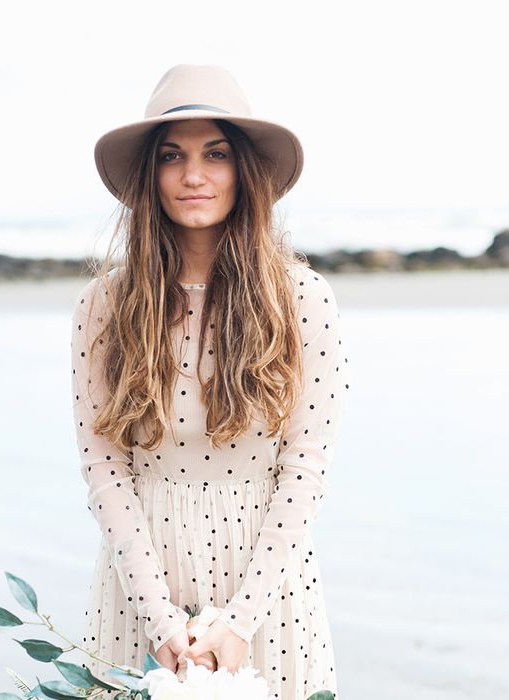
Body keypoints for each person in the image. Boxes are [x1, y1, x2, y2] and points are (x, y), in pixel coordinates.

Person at [70, 64, 350, 700]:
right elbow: (105, 469)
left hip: (268, 584)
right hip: (141, 581)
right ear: (151, 174)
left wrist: (240, 620)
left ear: (243, 170)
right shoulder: (104, 306)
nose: (193, 175)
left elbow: (305, 469)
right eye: (173, 156)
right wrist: (160, 622)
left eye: (214, 154)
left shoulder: (301, 298)